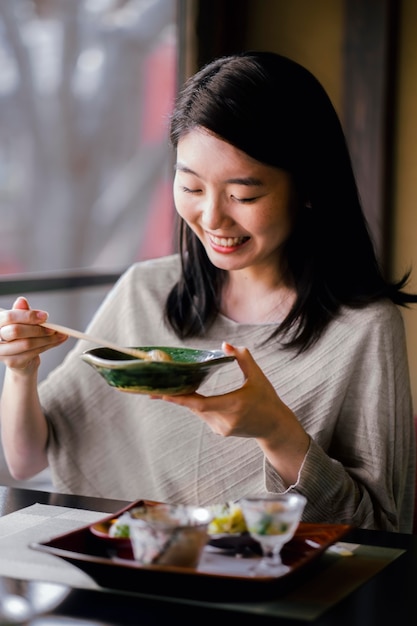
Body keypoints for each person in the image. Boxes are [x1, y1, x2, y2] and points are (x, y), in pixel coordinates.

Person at [0, 51, 415, 532]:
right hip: (125, 577)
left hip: (268, 597)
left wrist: (276, 431)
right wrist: (20, 370)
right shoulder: (145, 291)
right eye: (192, 187)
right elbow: (27, 458)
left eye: (243, 196)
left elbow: (383, 531)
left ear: (308, 188)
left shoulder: (363, 328)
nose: (213, 218)